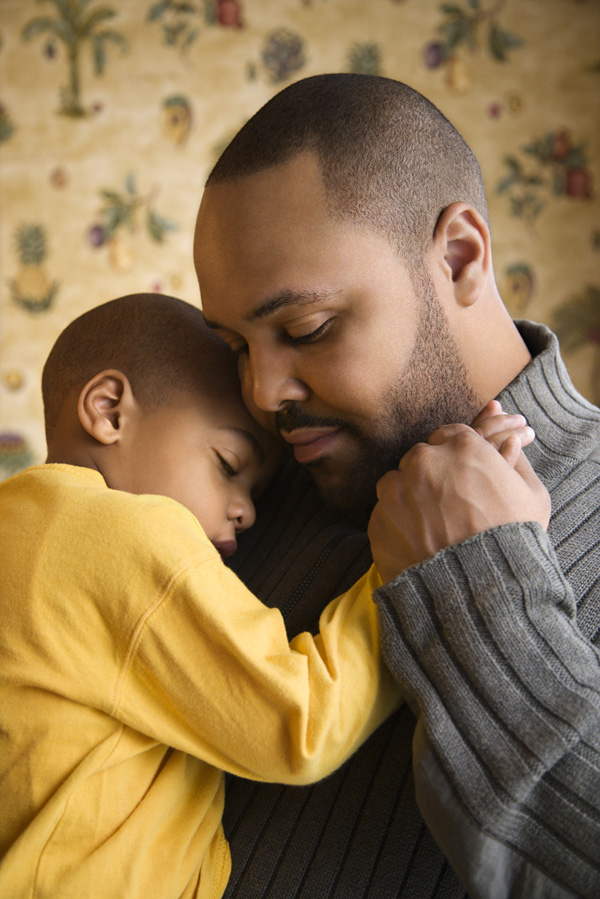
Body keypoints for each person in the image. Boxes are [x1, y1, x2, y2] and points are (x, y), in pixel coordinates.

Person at [193, 74, 600, 899]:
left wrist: (480, 598)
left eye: (306, 328)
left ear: (460, 258)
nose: (263, 392)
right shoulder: (248, 501)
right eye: (237, 345)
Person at [0, 292, 408, 899]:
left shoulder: (21, 525)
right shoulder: (126, 534)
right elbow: (300, 724)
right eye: (227, 463)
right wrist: (406, 566)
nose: (245, 511)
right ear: (108, 410)